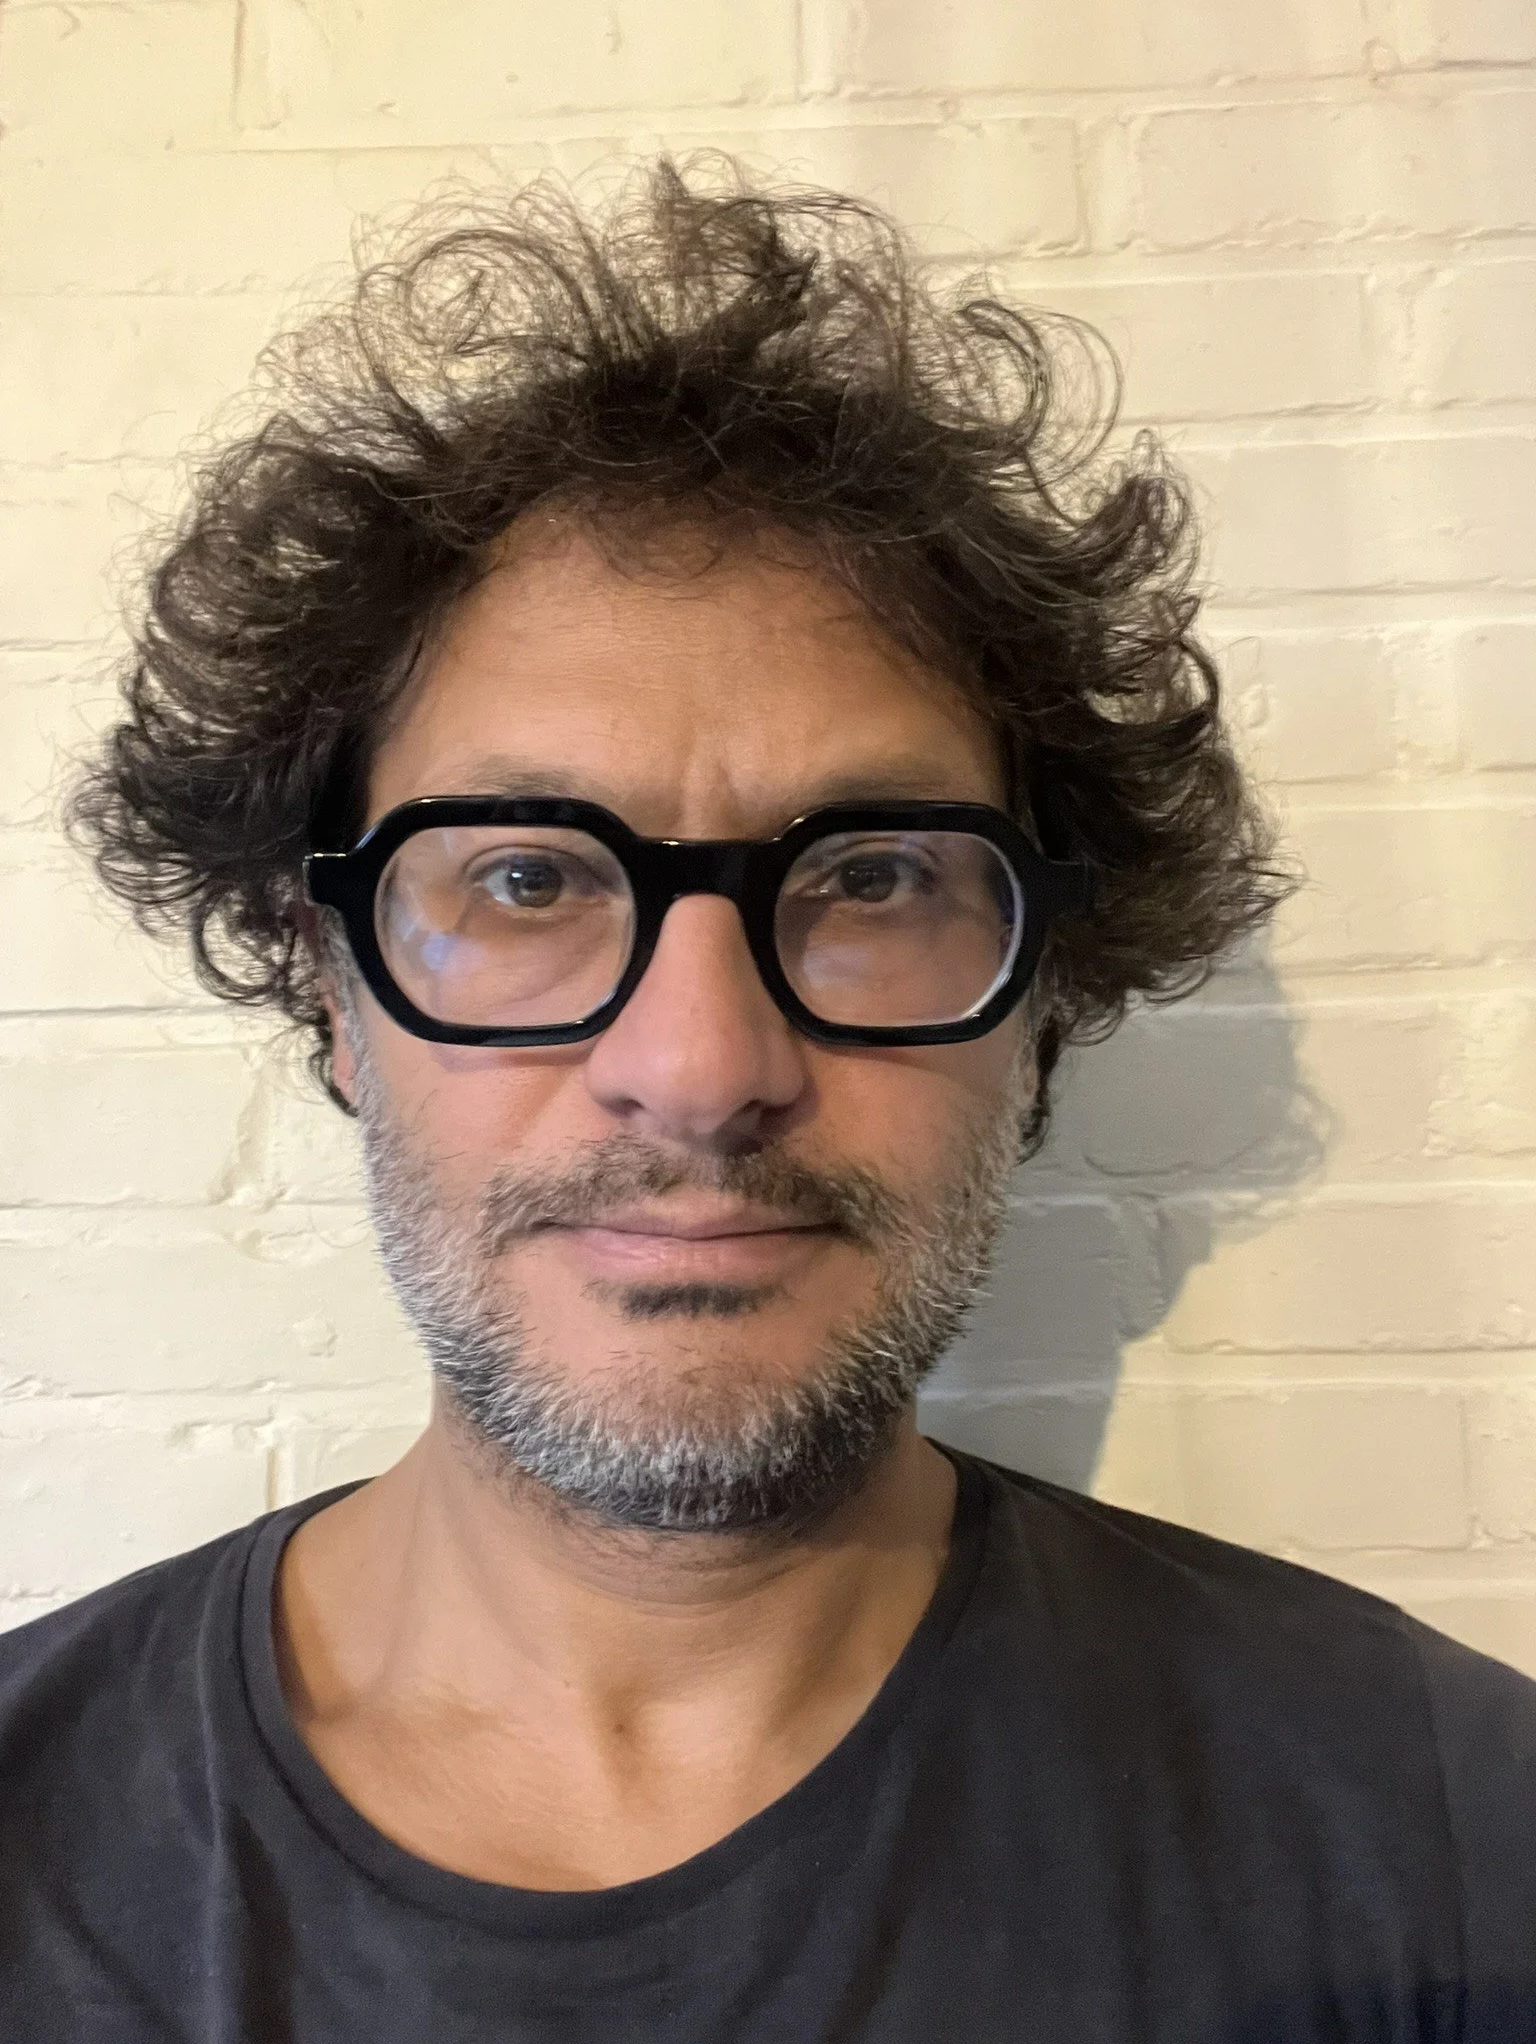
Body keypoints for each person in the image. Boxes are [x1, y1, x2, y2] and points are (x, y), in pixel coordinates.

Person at [3, 158, 1530, 2040]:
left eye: (876, 878)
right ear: (334, 993)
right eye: (529, 879)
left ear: (1039, 1002)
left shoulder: (1455, 1848)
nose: (705, 1069)